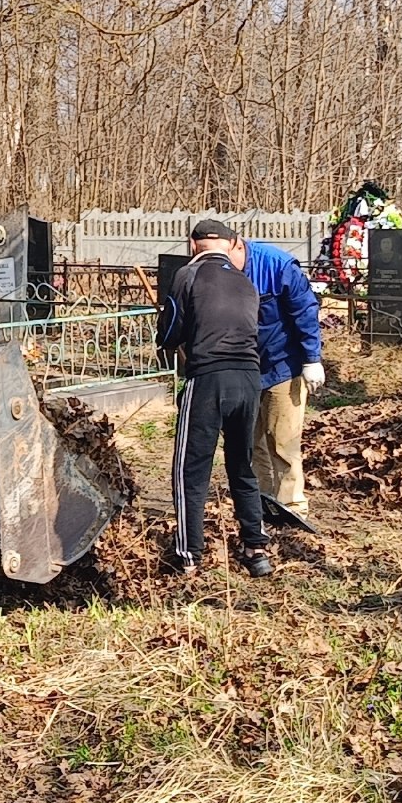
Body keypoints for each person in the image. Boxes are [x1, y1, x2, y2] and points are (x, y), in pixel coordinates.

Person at [158, 218, 271, 577]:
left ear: (193, 245)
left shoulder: (187, 275)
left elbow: (171, 329)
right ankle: (255, 548)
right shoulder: (246, 282)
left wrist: (168, 339)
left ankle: (189, 555)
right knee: (241, 464)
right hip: (250, 379)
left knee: (190, 469)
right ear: (229, 245)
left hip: (209, 378)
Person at [235, 234, 327, 536]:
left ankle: (293, 504)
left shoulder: (277, 266)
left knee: (283, 439)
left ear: (236, 245)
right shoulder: (214, 267)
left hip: (283, 365)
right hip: (245, 368)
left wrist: (312, 358)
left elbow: (304, 310)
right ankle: (263, 498)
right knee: (251, 440)